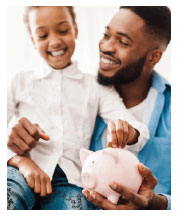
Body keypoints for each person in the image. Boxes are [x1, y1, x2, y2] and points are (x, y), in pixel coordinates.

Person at [7, 6, 149, 210]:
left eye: (63, 30)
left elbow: (138, 129)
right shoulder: (18, 82)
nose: (55, 41)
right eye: (43, 35)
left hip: (72, 180)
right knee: (8, 197)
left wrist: (130, 131)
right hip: (21, 170)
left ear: (76, 30)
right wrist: (20, 161)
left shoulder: (97, 86)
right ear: (32, 40)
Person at [84, 6, 171, 210]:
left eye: (122, 42)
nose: (106, 47)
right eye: (106, 35)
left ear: (153, 57)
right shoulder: (79, 96)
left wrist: (159, 203)